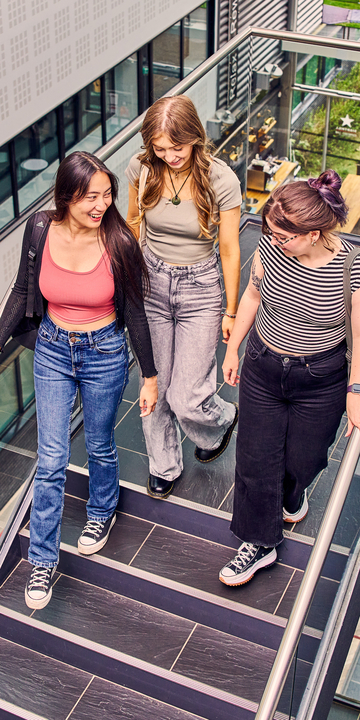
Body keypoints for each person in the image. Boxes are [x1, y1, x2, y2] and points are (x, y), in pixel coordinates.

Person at [0, 151, 158, 608]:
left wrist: (149, 377)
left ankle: (102, 510)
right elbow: (20, 293)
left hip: (105, 351)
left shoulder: (119, 242)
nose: (101, 205)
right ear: (66, 195)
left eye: (107, 195)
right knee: (50, 459)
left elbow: (136, 314)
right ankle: (42, 562)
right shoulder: (39, 229)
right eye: (91, 196)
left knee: (99, 443)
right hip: (52, 348)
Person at [219, 169, 360, 586]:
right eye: (272, 232)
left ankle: (291, 494)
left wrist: (355, 389)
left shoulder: (350, 267)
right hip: (264, 366)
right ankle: (259, 543)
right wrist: (233, 347)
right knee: (255, 459)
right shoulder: (270, 247)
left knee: (307, 459)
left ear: (314, 233)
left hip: (321, 379)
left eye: (285, 236)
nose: (275, 241)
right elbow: (253, 295)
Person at [126, 96, 241, 499]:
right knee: (154, 388)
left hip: (201, 289)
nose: (169, 156)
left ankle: (220, 420)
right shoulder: (142, 169)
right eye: (160, 149)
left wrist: (230, 309)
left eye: (177, 147)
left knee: (187, 397)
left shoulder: (221, 179)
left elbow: (229, 248)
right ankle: (164, 465)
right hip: (151, 284)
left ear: (194, 137)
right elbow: (133, 224)